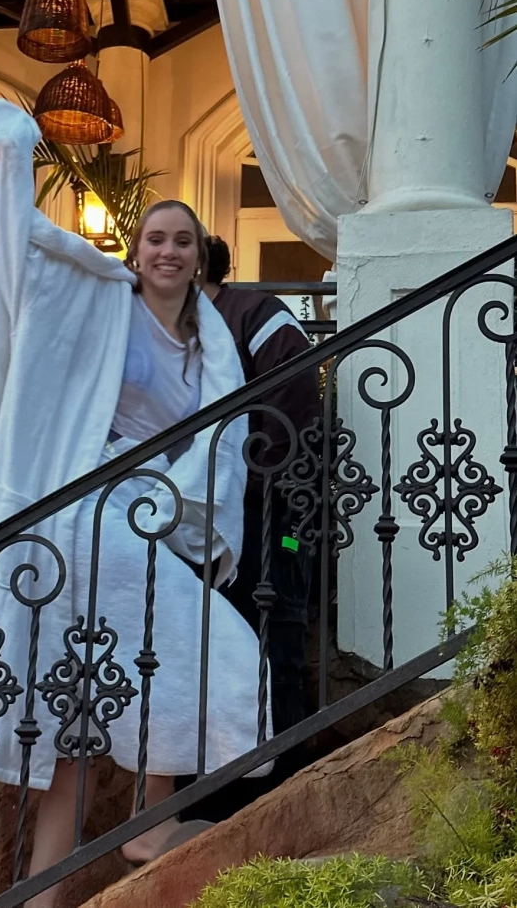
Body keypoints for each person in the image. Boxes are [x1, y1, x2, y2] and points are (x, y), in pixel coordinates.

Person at [0, 99, 268, 908]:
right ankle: (152, 823)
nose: (168, 251)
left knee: (86, 715)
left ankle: (47, 893)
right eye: (156, 239)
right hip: (87, 500)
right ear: (137, 250)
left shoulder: (211, 343)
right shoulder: (103, 296)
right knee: (203, 639)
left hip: (152, 511)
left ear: (200, 256)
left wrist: (190, 513)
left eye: (182, 241)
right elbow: (25, 249)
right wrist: (9, 158)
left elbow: (222, 438)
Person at [202, 235, 320, 739]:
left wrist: (250, 486)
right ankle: (206, 777)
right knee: (203, 651)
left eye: (180, 244)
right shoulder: (159, 334)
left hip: (268, 515)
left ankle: (282, 768)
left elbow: (292, 403)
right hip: (190, 521)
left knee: (272, 638)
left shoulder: (256, 314)